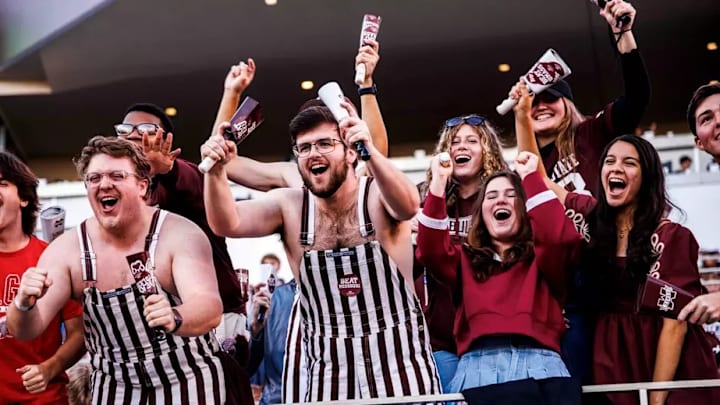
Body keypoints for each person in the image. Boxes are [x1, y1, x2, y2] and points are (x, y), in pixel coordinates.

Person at [201, 101, 440, 401]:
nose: (313, 153)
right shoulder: (289, 205)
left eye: (325, 143)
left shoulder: (376, 193)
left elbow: (408, 205)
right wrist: (216, 171)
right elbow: (227, 223)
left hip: (400, 370)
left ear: (351, 151)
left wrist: (370, 148)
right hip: (329, 376)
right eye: (304, 147)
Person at [8, 136, 227, 404]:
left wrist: (175, 316)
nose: (104, 184)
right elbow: (27, 329)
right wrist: (23, 304)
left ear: (142, 186)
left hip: (189, 380)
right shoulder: (68, 250)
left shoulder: (178, 233)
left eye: (117, 175)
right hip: (115, 388)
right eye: (94, 178)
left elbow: (208, 305)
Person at [557, 134, 720, 405]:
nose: (616, 168)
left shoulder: (671, 236)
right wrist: (523, 112)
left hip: (667, 364)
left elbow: (674, 324)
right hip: (612, 360)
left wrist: (655, 399)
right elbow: (541, 182)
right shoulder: (593, 221)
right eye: (609, 161)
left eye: (629, 163)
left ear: (648, 178)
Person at [416, 149, 581, 398]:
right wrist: (439, 182)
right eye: (491, 196)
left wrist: (530, 177)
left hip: (540, 364)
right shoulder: (464, 258)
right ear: (481, 212)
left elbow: (560, 237)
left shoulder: (543, 258)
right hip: (478, 367)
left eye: (511, 195)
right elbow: (429, 250)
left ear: (525, 207)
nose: (500, 201)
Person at [116, 102, 247, 344]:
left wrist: (166, 169)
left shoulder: (185, 177)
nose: (133, 134)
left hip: (216, 320)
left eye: (144, 128)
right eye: (125, 129)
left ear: (165, 140)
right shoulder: (121, 196)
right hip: (158, 323)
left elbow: (193, 180)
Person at [506, 0, 649, 196]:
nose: (540, 107)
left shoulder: (592, 132)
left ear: (567, 104)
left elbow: (637, 98)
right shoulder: (520, 170)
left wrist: (623, 34)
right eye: (533, 102)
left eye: (550, 98)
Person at [211, 40, 388, 191]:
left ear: (349, 146)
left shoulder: (361, 176)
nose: (315, 152)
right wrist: (231, 93)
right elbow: (223, 161)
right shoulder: (294, 177)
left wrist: (366, 84)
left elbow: (377, 151)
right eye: (306, 144)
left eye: (325, 142)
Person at [412, 113, 507, 392]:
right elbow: (414, 264)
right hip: (441, 338)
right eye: (454, 142)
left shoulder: (503, 197)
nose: (461, 147)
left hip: (489, 337)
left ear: (487, 150)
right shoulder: (427, 197)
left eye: (472, 141)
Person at [0, 152, 86, 404]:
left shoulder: (50, 257)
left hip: (43, 399)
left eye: (2, 184)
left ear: (24, 198)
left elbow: (79, 333)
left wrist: (50, 368)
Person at [247, 277, 297, 405]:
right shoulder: (275, 296)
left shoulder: (338, 296)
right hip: (276, 399)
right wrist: (256, 330)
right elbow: (249, 366)